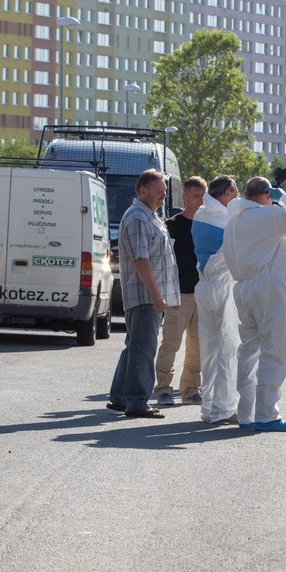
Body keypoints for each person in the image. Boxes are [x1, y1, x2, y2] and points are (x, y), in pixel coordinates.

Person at [222, 176, 286, 433]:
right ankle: (267, 414)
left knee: (249, 350)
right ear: (266, 195)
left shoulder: (234, 222)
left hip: (243, 287)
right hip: (271, 287)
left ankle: (247, 412)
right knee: (276, 350)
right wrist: (283, 196)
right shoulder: (266, 216)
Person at [107, 169, 180, 419]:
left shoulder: (150, 216)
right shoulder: (138, 218)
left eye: (165, 191)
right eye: (159, 190)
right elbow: (141, 260)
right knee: (143, 348)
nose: (164, 195)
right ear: (142, 191)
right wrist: (156, 295)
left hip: (149, 295)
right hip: (145, 295)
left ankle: (119, 397)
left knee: (134, 346)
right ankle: (137, 402)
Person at [191, 175, 240, 425]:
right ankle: (225, 407)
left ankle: (209, 407)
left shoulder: (201, 213)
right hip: (224, 287)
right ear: (229, 193)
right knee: (229, 348)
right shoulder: (229, 220)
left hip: (204, 286)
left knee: (209, 351)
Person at [153, 176, 206, 407]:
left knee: (198, 345)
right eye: (196, 196)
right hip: (178, 294)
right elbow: (162, 260)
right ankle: (163, 388)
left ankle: (190, 389)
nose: (201, 200)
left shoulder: (208, 225)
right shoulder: (171, 226)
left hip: (203, 294)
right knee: (171, 343)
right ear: (184, 197)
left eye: (204, 195)